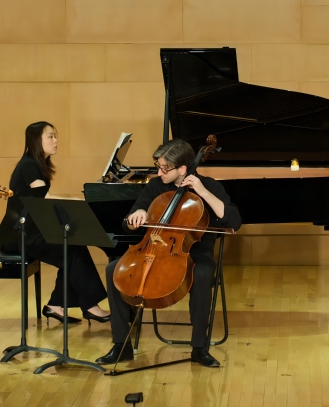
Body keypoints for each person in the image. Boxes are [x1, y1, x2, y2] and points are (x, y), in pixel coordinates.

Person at [96, 139, 241, 368]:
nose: (159, 172)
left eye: (165, 168)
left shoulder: (210, 186)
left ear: (182, 169)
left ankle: (199, 347)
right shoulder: (155, 186)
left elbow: (234, 221)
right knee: (114, 270)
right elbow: (128, 221)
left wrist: (202, 192)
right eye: (158, 166)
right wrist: (137, 215)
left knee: (201, 274)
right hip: (153, 249)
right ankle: (121, 345)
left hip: (194, 254)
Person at [2, 121, 110, 326]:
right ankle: (89, 305)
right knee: (73, 251)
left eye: (55, 136)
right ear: (36, 141)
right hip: (23, 234)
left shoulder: (35, 164)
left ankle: (56, 304)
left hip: (34, 231)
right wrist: (80, 201)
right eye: (50, 136)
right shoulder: (28, 165)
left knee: (73, 248)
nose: (55, 140)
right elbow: (45, 199)